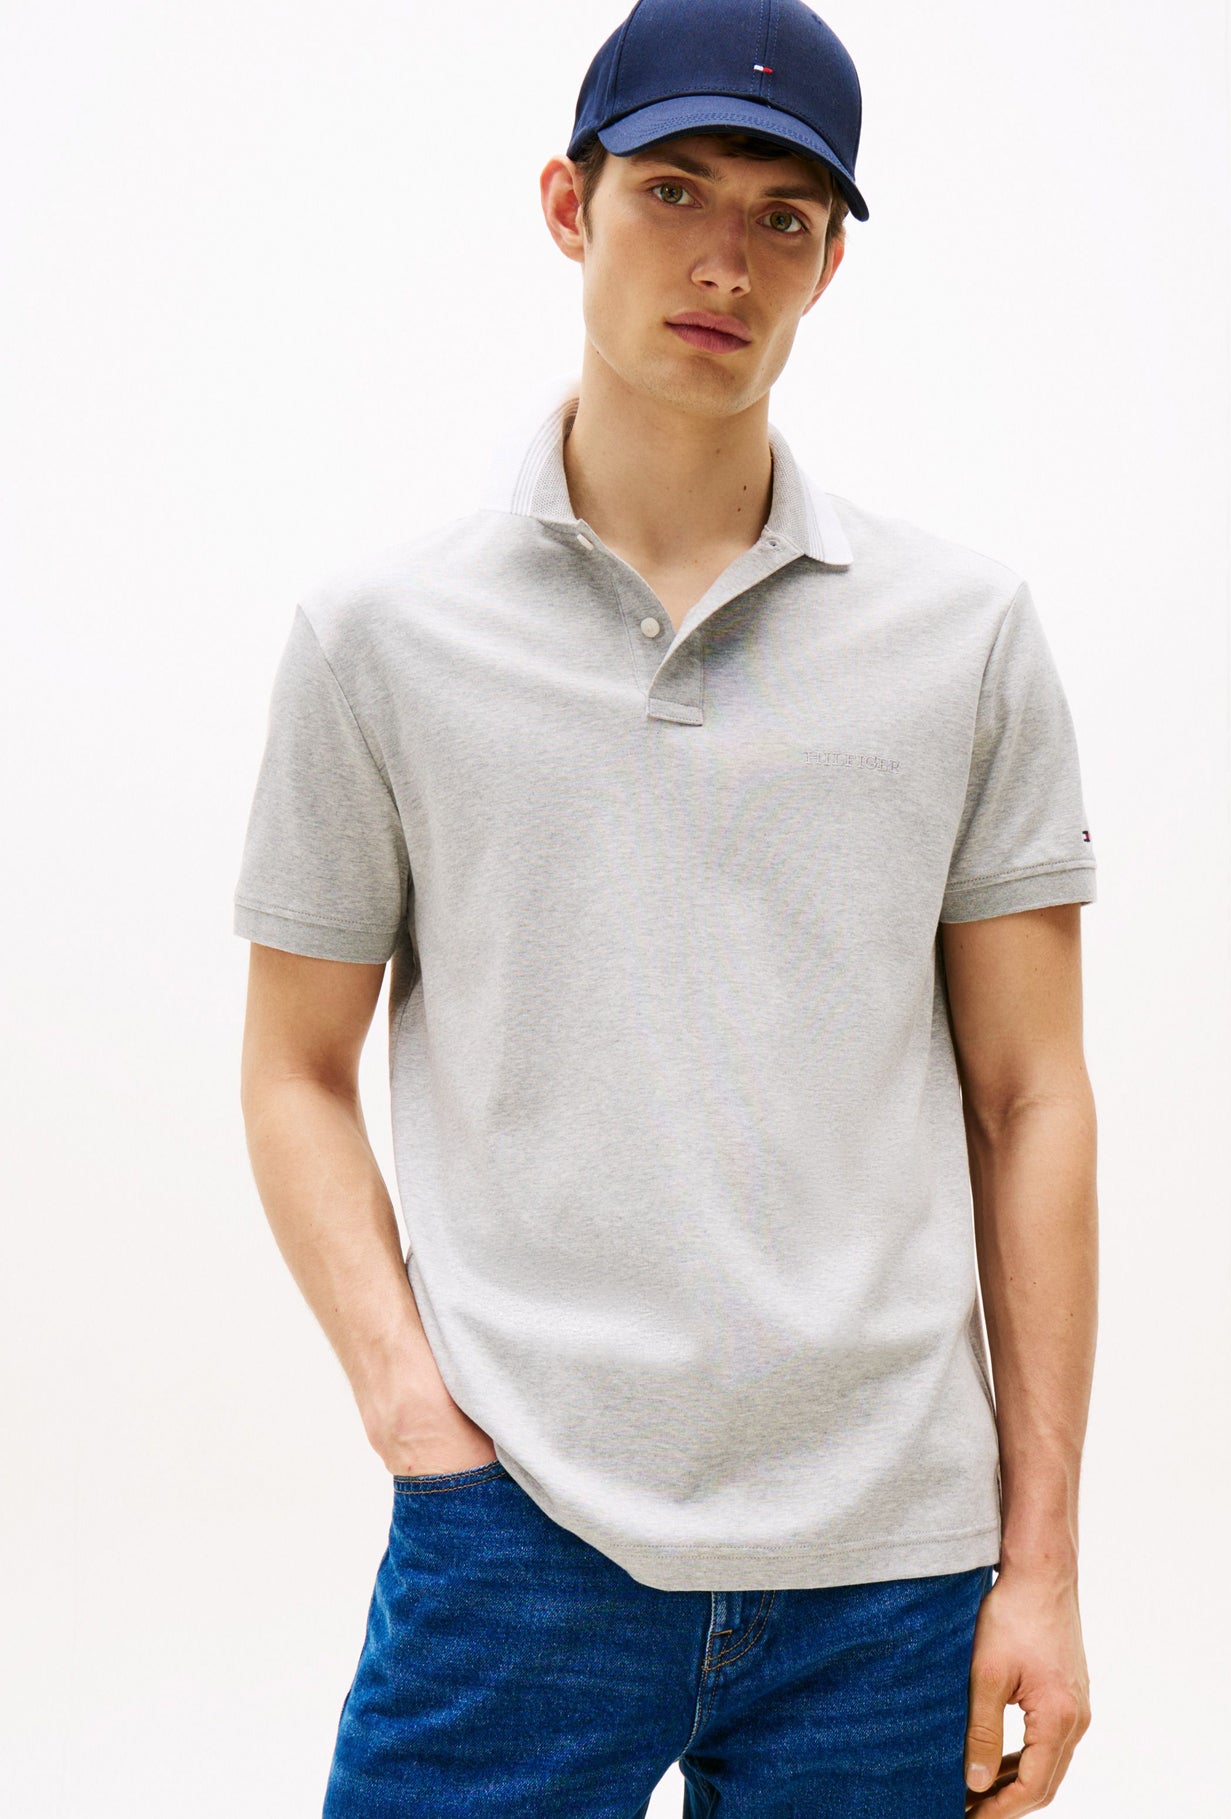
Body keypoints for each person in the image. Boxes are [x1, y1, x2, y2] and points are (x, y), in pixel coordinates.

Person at [233, 1, 1098, 1812]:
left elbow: (1031, 1099)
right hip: (520, 1533)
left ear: (831, 263)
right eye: (675, 190)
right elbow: (296, 1067)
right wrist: (413, 1414)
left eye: (785, 217)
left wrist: (1042, 1565)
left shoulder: (963, 634)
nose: (726, 261)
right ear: (570, 205)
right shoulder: (382, 636)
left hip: (891, 1569)